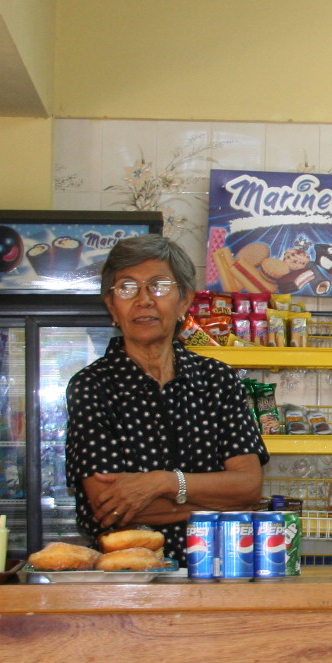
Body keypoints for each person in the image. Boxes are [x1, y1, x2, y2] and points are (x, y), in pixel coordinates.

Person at [65, 234, 267, 560]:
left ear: (184, 301)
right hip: (130, 573)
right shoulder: (92, 386)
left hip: (218, 570)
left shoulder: (219, 380)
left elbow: (248, 488)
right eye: (127, 288)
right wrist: (218, 501)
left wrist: (164, 483)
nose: (144, 300)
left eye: (158, 286)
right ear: (111, 305)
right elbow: (109, 508)